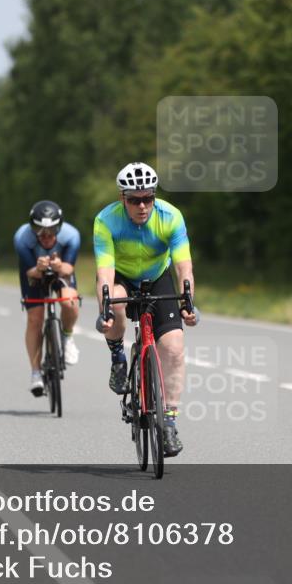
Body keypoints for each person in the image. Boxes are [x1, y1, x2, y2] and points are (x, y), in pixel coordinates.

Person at [94, 162, 198, 457]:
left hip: (158, 276)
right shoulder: (106, 220)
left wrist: (187, 302)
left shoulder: (170, 217)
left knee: (175, 348)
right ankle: (117, 357)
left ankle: (169, 421)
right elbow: (105, 270)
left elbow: (183, 265)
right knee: (114, 305)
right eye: (135, 199)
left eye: (148, 198)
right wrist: (105, 309)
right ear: (122, 198)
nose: (142, 205)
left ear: (154, 196)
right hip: (122, 278)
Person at [14, 201, 81, 396]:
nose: (45, 236)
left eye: (52, 230)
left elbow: (69, 269)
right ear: (32, 228)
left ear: (59, 227)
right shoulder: (22, 238)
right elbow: (31, 272)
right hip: (34, 273)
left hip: (61, 271)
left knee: (69, 301)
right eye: (39, 230)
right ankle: (36, 373)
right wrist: (40, 268)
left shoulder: (71, 236)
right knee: (35, 318)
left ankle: (67, 337)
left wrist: (58, 266)